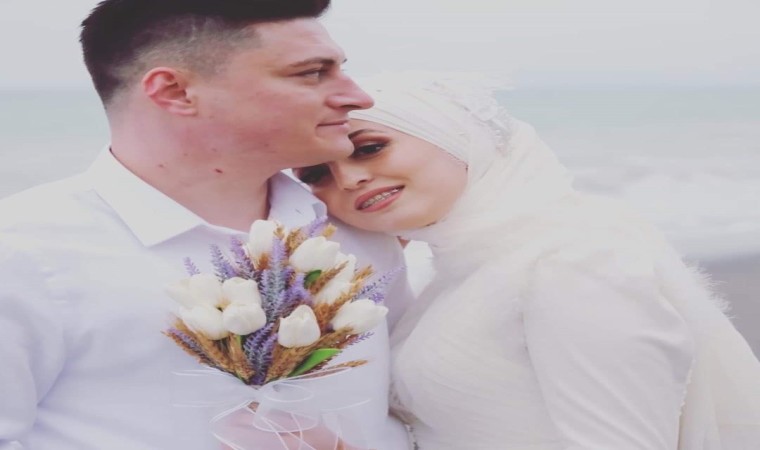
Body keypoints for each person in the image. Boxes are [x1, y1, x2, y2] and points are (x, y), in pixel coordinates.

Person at [0, 2, 414, 449]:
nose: (357, 96)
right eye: (312, 73)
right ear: (175, 91)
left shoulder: (358, 234)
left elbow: (408, 411)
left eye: (340, 70)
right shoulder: (24, 253)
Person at [293, 72, 760, 449]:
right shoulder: (458, 271)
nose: (348, 179)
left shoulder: (573, 261)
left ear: (455, 137)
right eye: (316, 174)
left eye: (370, 147)